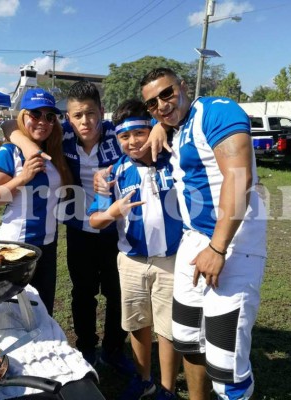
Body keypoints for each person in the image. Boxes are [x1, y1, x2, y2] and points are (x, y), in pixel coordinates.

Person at [4, 81, 149, 375]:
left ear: (102, 112)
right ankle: (85, 345)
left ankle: (112, 348)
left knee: (115, 291)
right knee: (82, 291)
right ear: (68, 118)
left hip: (117, 228)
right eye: (78, 115)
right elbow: (9, 124)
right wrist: (30, 147)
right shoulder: (63, 134)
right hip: (79, 227)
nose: (86, 121)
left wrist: (157, 128)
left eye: (92, 114)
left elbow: (150, 126)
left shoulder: (116, 132)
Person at [140, 67, 267, 400]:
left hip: (232, 243)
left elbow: (239, 179)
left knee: (225, 361)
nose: (162, 105)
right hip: (193, 238)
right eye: (152, 104)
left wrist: (218, 247)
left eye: (167, 93)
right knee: (187, 338)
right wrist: (158, 124)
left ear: (183, 86)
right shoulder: (176, 125)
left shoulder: (216, 110)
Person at [88, 99, 182, 400]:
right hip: (132, 261)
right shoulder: (114, 172)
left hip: (172, 259)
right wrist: (113, 210)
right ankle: (144, 380)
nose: (132, 142)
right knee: (139, 323)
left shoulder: (176, 160)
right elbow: (95, 219)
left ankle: (167, 387)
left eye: (139, 133)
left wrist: (162, 127)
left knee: (168, 329)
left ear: (153, 129)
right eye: (124, 137)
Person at [0, 88, 73, 316]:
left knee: (43, 313)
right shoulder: (9, 152)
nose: (43, 121)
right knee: (12, 315)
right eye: (35, 115)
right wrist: (23, 178)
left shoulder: (51, 153)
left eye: (49, 116)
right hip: (15, 247)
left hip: (48, 248)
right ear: (23, 116)